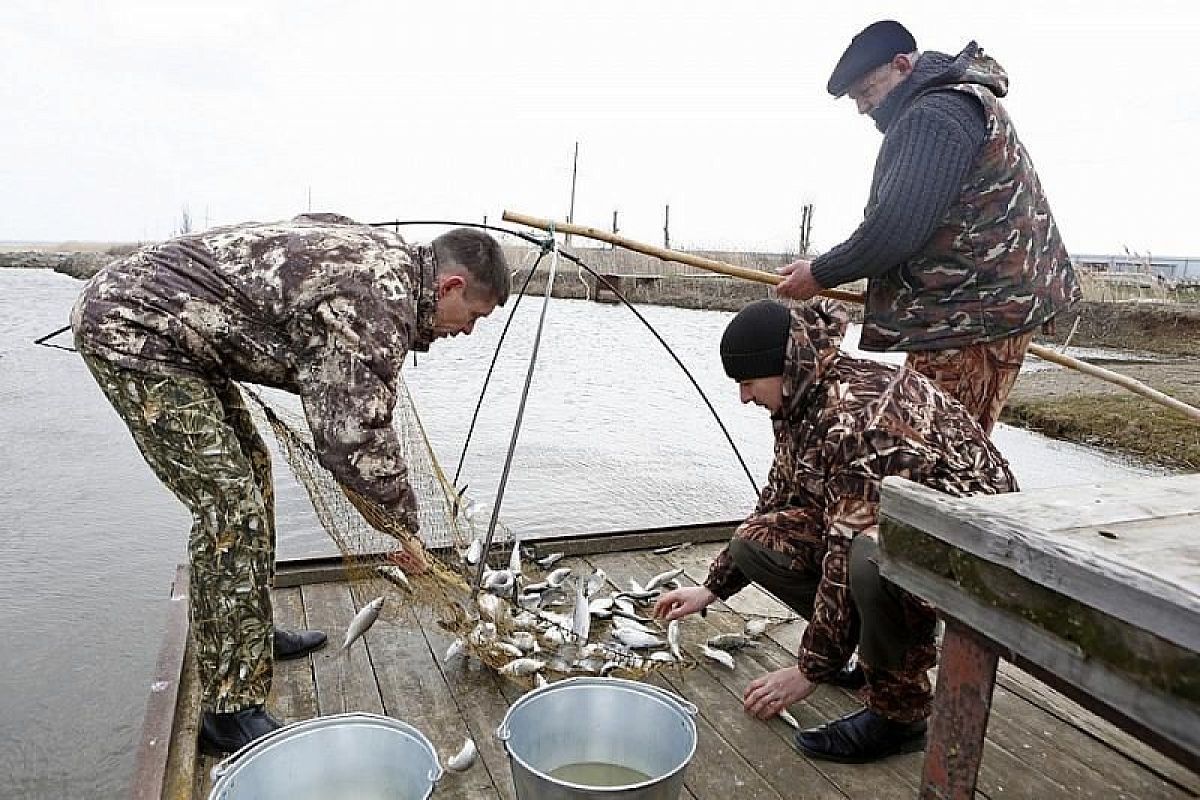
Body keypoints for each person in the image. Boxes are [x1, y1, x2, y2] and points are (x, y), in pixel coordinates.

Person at [70, 213, 510, 754]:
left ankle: (247, 635)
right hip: (134, 329)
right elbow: (353, 437)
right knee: (230, 508)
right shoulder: (376, 303)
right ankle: (228, 714)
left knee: (252, 469)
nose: (467, 331)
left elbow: (315, 224)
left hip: (178, 331)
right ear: (450, 286)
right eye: (472, 316)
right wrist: (405, 530)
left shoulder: (389, 262)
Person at [654, 299, 1017, 763]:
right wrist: (712, 587)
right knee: (755, 542)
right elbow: (781, 494)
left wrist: (808, 671)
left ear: (780, 367)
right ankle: (864, 658)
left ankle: (900, 714)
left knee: (867, 559)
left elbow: (847, 552)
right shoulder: (803, 396)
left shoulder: (859, 420)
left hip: (979, 551)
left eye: (747, 383)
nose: (743, 397)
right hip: (896, 529)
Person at [775, 20, 1080, 433]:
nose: (863, 108)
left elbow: (896, 229)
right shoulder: (954, 101)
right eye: (855, 99)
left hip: (971, 318)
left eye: (866, 92)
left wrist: (819, 273)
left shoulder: (935, 115)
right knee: (942, 442)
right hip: (973, 313)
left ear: (902, 65)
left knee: (940, 448)